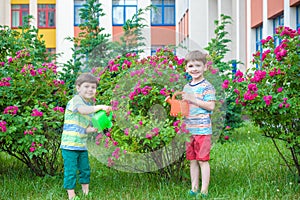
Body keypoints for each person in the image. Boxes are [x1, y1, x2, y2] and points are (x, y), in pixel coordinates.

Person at [60, 73, 112, 200]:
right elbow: (82, 110)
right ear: (78, 88)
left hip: (82, 145)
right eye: (86, 86)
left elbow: (85, 127)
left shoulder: (89, 105)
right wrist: (100, 107)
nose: (90, 90)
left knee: (85, 169)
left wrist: (94, 129)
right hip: (70, 145)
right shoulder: (76, 100)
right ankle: (71, 195)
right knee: (71, 171)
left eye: (93, 87)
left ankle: (86, 193)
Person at [182, 50, 216, 198]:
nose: (194, 69)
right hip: (189, 130)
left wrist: (193, 99)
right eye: (191, 66)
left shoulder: (207, 87)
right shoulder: (186, 87)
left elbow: (211, 106)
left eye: (198, 65)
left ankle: (204, 191)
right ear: (186, 69)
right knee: (192, 161)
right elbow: (185, 107)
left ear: (205, 67)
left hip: (202, 130)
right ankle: (194, 188)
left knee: (203, 160)